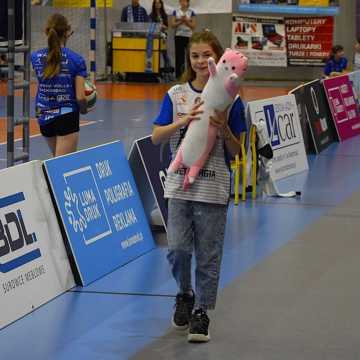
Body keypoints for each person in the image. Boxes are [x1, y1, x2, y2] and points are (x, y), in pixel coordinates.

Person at [151, 30, 247, 343]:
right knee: (178, 249)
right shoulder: (176, 94)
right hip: (178, 189)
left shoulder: (232, 101)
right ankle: (184, 292)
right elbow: (156, 137)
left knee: (208, 256)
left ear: (218, 59)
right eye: (194, 56)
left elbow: (238, 151)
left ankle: (202, 312)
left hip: (214, 190)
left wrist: (224, 132)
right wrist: (183, 120)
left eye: (207, 56)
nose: (200, 62)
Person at [31, 13, 87, 157]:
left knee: (56, 160)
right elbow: (81, 97)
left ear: (46, 31)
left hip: (43, 113)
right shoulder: (76, 60)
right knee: (63, 167)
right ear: (67, 33)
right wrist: (85, 109)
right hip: (66, 114)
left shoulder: (35, 57)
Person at [170, 0, 196, 79]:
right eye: (181, 1)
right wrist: (181, 21)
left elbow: (193, 26)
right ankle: (179, 76)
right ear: (180, 2)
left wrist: (186, 21)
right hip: (179, 36)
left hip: (188, 36)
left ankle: (190, 75)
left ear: (188, 2)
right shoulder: (176, 12)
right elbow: (172, 25)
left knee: (189, 56)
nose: (183, 3)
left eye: (185, 1)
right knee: (179, 57)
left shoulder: (191, 12)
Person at [149, 0, 172, 77]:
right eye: (156, 3)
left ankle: (167, 73)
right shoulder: (151, 15)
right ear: (154, 4)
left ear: (161, 4)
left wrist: (161, 26)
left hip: (163, 36)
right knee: (155, 54)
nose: (157, 4)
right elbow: (150, 26)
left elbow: (167, 27)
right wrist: (157, 26)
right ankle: (155, 72)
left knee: (165, 54)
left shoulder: (164, 15)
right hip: (154, 37)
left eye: (159, 3)